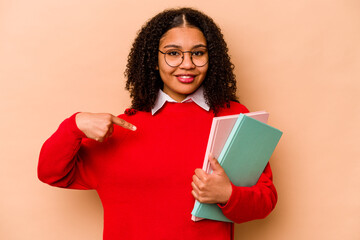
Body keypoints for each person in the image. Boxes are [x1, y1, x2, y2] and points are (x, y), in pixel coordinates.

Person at [38, 7, 277, 240]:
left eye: (198, 53)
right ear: (154, 60)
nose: (187, 64)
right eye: (173, 53)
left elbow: (265, 200)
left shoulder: (234, 117)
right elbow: (51, 173)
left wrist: (228, 194)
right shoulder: (121, 129)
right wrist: (74, 125)